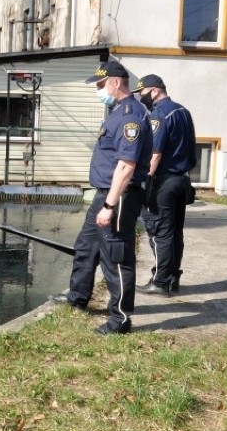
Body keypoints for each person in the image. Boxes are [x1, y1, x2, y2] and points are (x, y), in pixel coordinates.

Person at [50, 60, 152, 335]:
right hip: (104, 194)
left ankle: (119, 320)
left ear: (115, 83)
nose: (98, 90)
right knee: (86, 247)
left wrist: (109, 205)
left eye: (100, 84)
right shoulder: (116, 111)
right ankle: (78, 297)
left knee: (116, 259)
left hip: (118, 197)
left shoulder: (130, 116)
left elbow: (126, 166)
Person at [133, 74, 197, 296]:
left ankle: (160, 281)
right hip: (183, 180)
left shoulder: (159, 114)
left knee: (160, 231)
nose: (141, 99)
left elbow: (155, 153)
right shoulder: (183, 111)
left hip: (164, 181)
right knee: (175, 232)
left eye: (142, 94)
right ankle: (172, 278)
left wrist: (145, 179)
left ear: (154, 91)